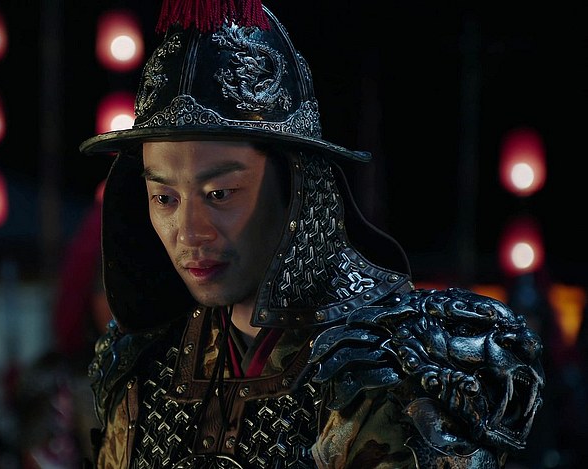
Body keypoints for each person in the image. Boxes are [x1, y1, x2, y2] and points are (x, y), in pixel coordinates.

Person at [78, 1, 546, 467]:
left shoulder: (390, 369)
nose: (189, 233)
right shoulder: (143, 365)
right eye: (164, 198)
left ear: (295, 188)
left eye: (220, 194)